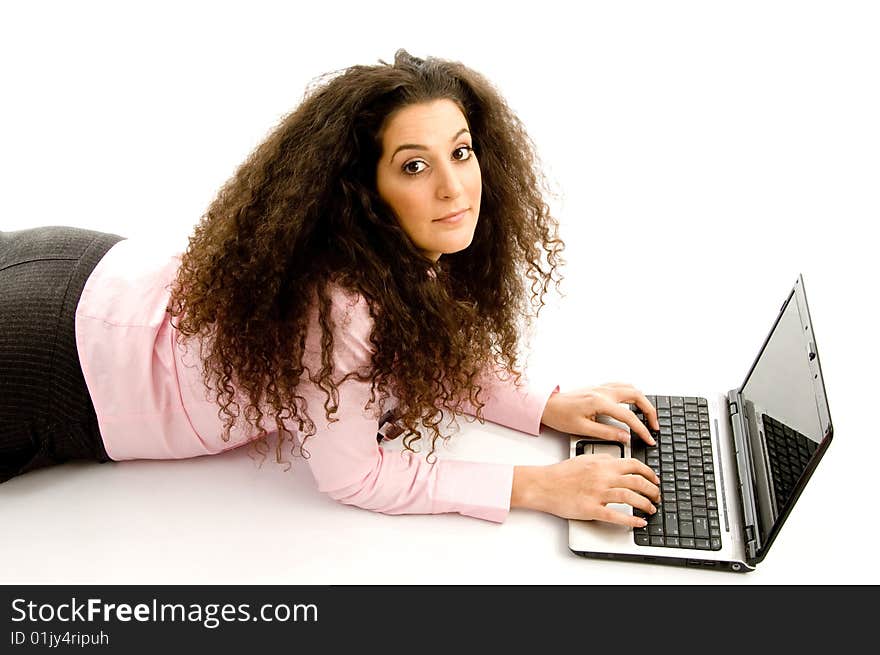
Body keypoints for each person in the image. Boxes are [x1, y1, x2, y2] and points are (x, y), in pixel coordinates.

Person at [0, 49, 661, 528]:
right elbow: (356, 474)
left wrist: (544, 405)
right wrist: (540, 485)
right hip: (47, 361)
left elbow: (419, 360)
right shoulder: (341, 304)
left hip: (78, 271)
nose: (454, 187)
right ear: (362, 189)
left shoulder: (392, 251)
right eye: (414, 165)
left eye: (460, 152)